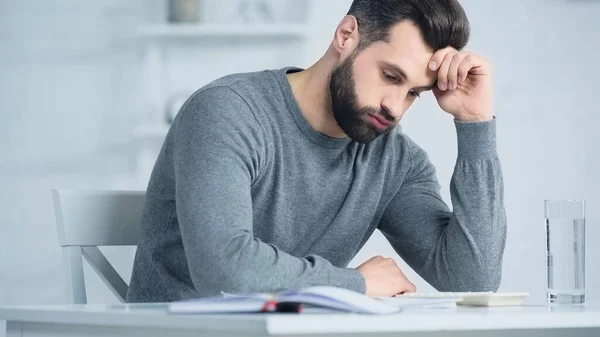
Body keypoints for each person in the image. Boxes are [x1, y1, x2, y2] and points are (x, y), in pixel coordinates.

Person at [126, 0, 507, 303]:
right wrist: (355, 283)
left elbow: (472, 279)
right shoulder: (228, 112)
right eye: (390, 76)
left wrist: (475, 124)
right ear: (346, 35)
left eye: (414, 92)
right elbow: (223, 270)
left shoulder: (394, 160)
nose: (395, 106)